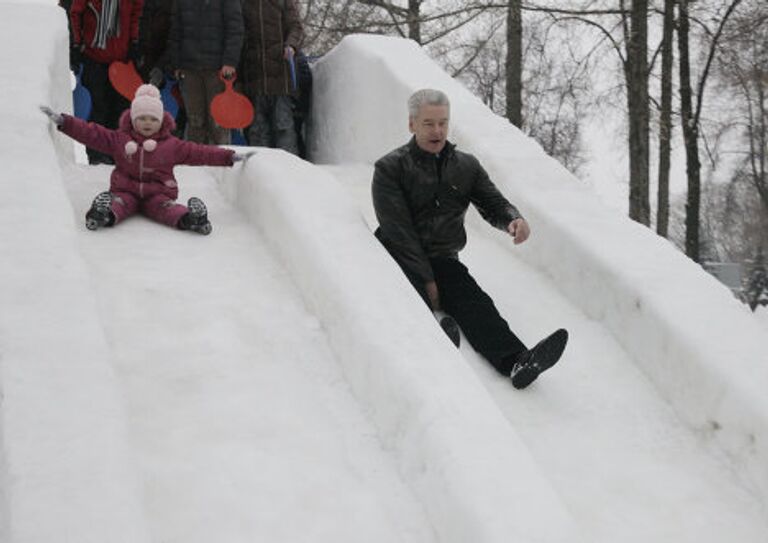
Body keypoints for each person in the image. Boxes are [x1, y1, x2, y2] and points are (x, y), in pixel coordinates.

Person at [372, 89, 568, 389]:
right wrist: (428, 280)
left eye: (443, 123)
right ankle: (436, 336)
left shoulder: (466, 166)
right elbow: (398, 230)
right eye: (428, 123)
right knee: (408, 292)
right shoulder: (390, 168)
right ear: (412, 124)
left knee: (474, 301)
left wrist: (513, 219)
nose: (437, 131)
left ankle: (516, 361)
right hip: (397, 253)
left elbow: (492, 202)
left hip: (443, 256)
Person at [40, 85, 254, 234]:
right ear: (133, 119)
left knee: (167, 209)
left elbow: (200, 152)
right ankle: (103, 214)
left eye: (153, 119)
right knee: (119, 203)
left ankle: (191, 219)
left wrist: (229, 156)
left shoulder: (172, 146)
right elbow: (92, 133)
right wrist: (64, 122)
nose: (147, 123)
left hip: (158, 192)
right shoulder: (120, 139)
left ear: (161, 121)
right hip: (126, 189)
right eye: (142, 118)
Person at [68, 0, 144, 165]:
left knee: (120, 109)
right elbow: (75, 13)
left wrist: (135, 42)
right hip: (93, 57)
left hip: (121, 60)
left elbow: (136, 15)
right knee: (97, 107)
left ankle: (116, 152)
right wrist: (76, 43)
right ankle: (97, 154)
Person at [168, 0, 244, 144]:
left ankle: (220, 160)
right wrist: (176, 64)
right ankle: (196, 162)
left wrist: (229, 61)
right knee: (195, 121)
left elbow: (235, 29)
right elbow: (175, 31)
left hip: (217, 70)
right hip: (189, 69)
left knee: (217, 121)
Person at [240, 0, 304, 155]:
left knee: (283, 127)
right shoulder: (242, 4)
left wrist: (291, 45)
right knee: (258, 130)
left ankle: (289, 168)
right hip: (254, 78)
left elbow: (296, 27)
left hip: (281, 79)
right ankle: (260, 170)